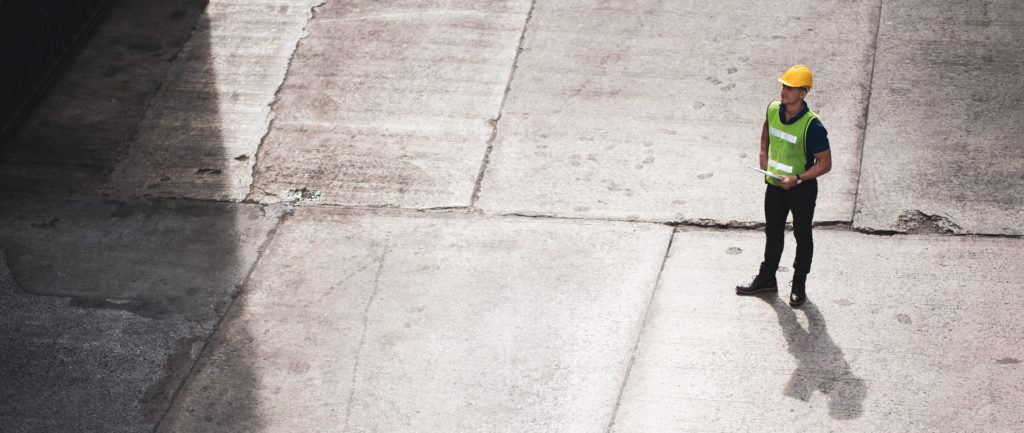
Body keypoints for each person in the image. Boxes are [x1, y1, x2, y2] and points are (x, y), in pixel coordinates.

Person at [736, 65, 831, 307]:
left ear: (803, 93)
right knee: (773, 232)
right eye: (783, 86)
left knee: (802, 235)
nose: (784, 91)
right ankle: (767, 278)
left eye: (790, 88)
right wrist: (762, 154)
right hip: (775, 186)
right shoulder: (773, 109)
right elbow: (767, 129)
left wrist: (798, 178)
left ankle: (799, 284)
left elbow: (825, 164)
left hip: (801, 190)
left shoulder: (813, 126)